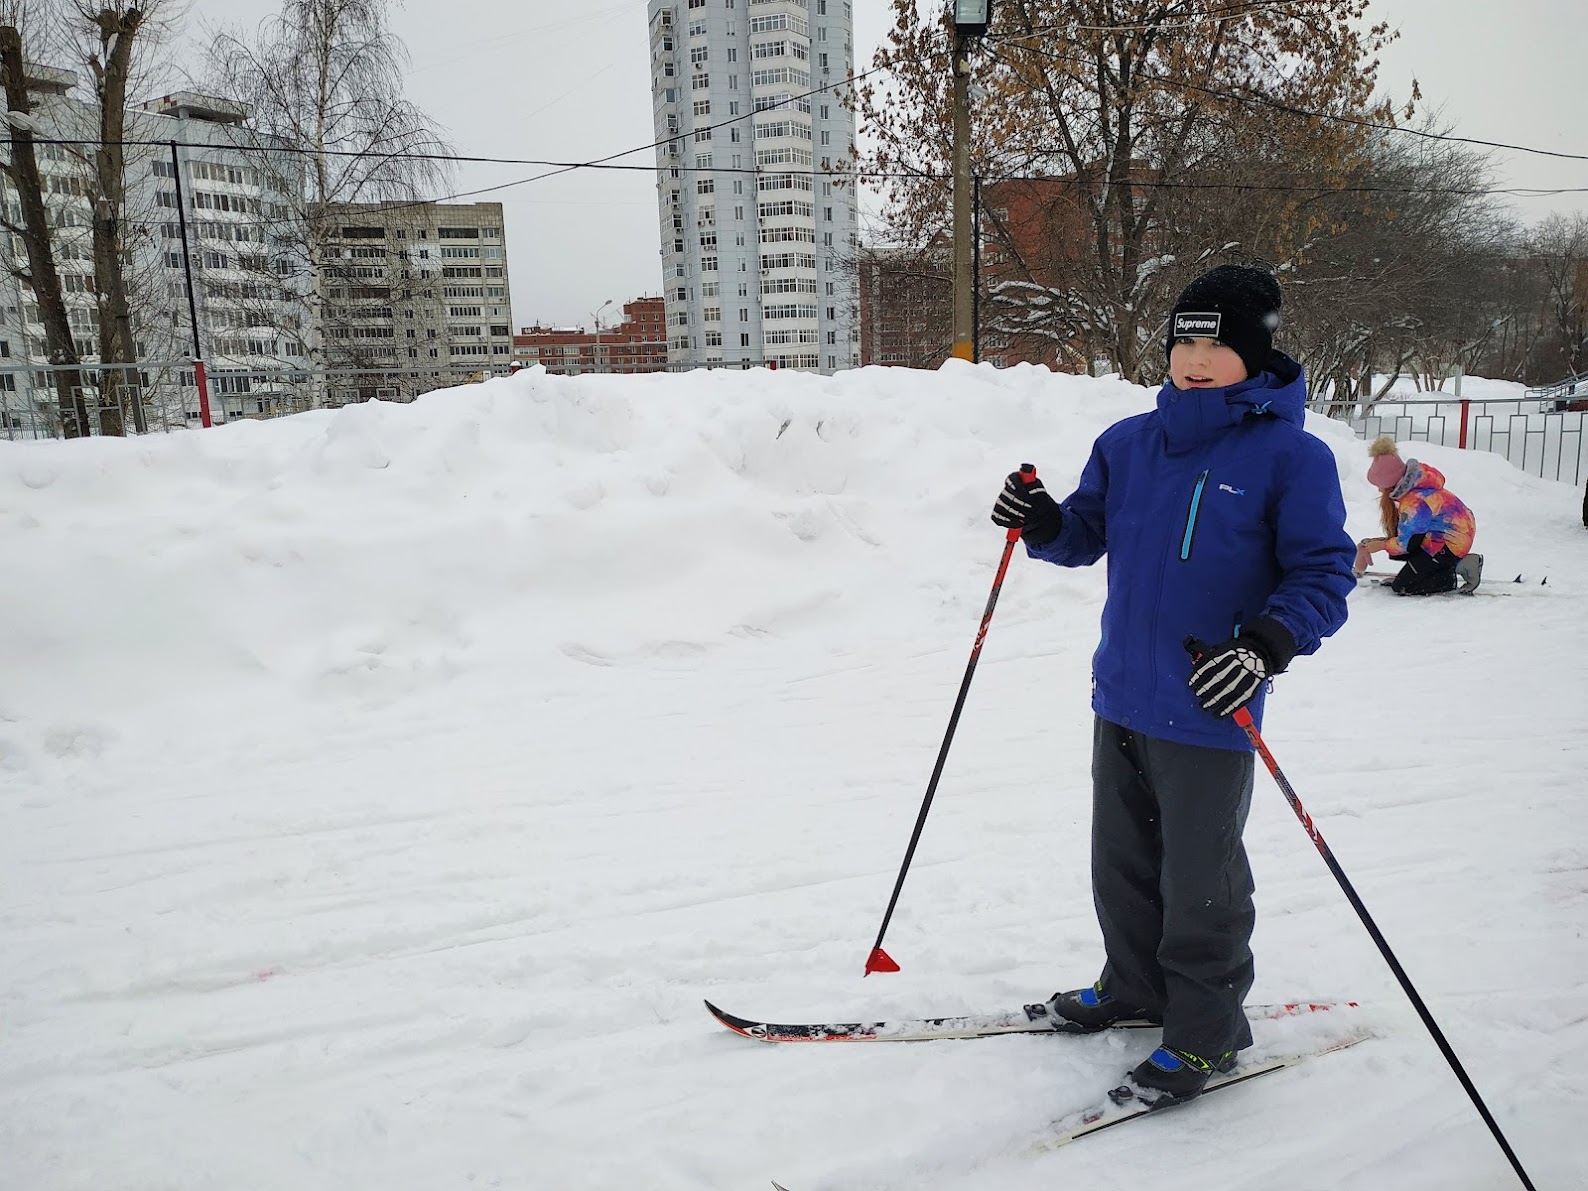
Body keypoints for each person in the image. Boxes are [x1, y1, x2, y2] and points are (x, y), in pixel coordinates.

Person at [989, 264, 1356, 1108]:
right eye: (1184, 340)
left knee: (1202, 877)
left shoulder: (1289, 457)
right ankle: (1134, 986)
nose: (1195, 358)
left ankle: (1205, 1034)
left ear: (1254, 353)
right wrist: (1041, 521)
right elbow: (1083, 533)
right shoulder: (1128, 442)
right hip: (1120, 688)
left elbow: (1322, 574)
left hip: (1212, 698)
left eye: (1216, 343)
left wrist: (1265, 644)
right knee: (1120, 861)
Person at [1352, 437, 1481, 595]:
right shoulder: (1415, 490)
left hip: (1450, 544)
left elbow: (1408, 544)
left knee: (1403, 587)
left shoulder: (1414, 502)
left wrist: (1381, 545)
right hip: (1446, 536)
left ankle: (1454, 569)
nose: (1379, 490)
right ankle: (1435, 569)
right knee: (1401, 557)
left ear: (1391, 483)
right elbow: (1409, 535)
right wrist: (1380, 542)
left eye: (1380, 485)